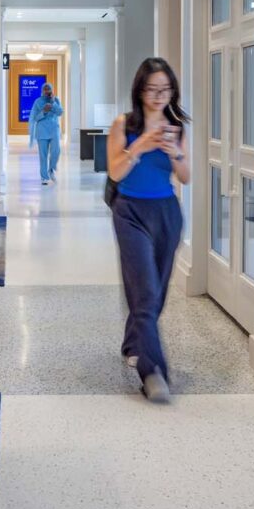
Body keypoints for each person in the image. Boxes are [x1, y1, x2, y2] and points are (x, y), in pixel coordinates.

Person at [105, 57, 191, 404]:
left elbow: (186, 177)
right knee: (144, 291)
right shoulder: (123, 124)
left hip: (166, 214)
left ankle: (133, 344)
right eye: (152, 90)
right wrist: (138, 146)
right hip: (130, 213)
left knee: (155, 293)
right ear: (139, 91)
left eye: (165, 90)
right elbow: (115, 172)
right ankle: (154, 372)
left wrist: (174, 153)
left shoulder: (178, 127)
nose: (159, 97)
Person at [27, 83, 63, 185]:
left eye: (49, 89)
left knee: (56, 151)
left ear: (52, 90)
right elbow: (34, 118)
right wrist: (44, 111)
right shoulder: (38, 102)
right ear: (42, 91)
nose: (47, 91)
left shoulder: (56, 100)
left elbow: (60, 112)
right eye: (45, 89)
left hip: (54, 130)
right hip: (42, 131)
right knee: (43, 155)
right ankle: (44, 176)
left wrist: (53, 102)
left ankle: (51, 169)